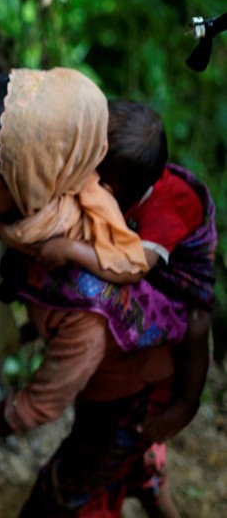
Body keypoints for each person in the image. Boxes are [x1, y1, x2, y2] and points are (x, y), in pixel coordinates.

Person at [0, 67, 210, 516]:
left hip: (131, 400)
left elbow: (36, 407)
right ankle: (145, 473)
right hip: (111, 379)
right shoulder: (50, 195)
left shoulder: (86, 297)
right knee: (132, 468)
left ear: (24, 181)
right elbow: (1, 214)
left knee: (59, 497)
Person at [35, 100, 214, 517]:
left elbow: (133, 269)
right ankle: (147, 473)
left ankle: (185, 404)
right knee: (136, 469)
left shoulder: (167, 209)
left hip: (178, 288)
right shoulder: (129, 182)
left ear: (110, 187)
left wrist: (71, 250)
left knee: (196, 322)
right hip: (126, 374)